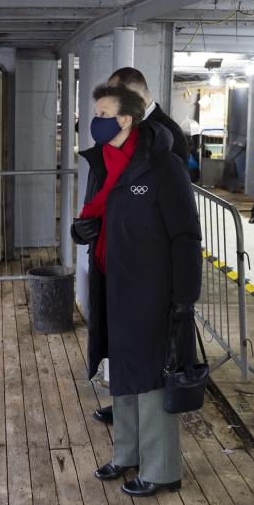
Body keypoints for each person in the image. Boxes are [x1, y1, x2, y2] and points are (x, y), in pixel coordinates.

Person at [71, 84, 201, 497]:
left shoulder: (164, 167)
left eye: (104, 111)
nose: (96, 118)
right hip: (114, 281)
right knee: (123, 373)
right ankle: (127, 453)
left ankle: (161, 469)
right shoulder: (105, 163)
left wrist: (184, 298)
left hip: (152, 288)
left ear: (126, 119)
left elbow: (185, 236)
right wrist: (82, 231)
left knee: (150, 377)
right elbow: (97, 213)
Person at [92, 66, 190, 426]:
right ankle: (124, 410)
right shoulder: (119, 136)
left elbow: (178, 217)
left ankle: (148, 436)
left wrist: (182, 291)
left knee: (147, 351)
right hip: (118, 252)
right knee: (121, 341)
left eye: (108, 107)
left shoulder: (166, 137)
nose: (101, 117)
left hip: (148, 262)